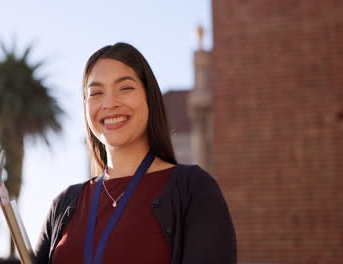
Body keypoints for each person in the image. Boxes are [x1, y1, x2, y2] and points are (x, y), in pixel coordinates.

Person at [34, 42, 236, 264]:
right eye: (96, 93)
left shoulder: (194, 189)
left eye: (125, 88)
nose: (109, 103)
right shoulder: (63, 205)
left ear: (149, 97)